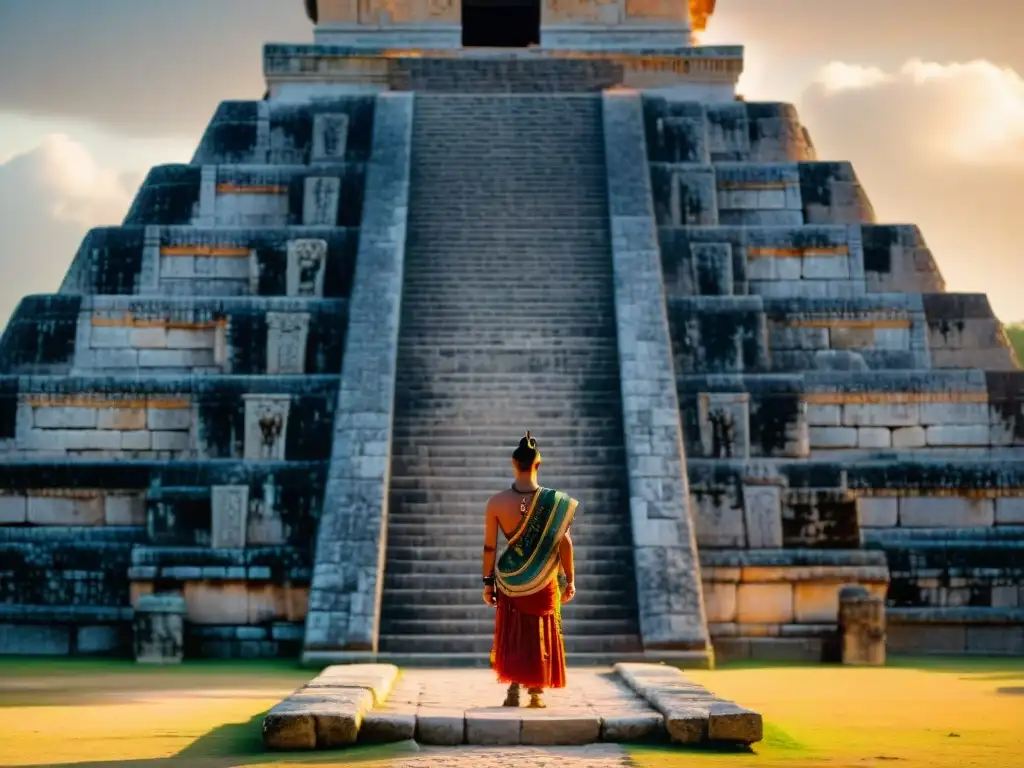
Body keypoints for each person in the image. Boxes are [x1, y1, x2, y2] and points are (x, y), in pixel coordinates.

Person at [481, 431, 578, 709]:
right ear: (538, 464)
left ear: (514, 464)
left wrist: (488, 583)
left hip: (510, 577)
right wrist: (569, 580)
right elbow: (565, 544)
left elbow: (490, 548)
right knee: (539, 628)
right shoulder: (555, 502)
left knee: (513, 630)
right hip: (544, 577)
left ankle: (512, 690)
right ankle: (536, 692)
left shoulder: (496, 502)